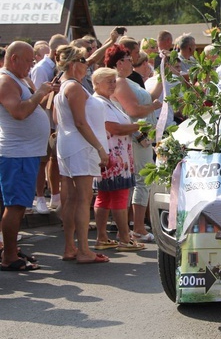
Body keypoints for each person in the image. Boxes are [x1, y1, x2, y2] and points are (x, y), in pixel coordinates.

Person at [0, 41, 55, 271]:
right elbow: (19, 111)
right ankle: (9, 257)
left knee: (14, 204)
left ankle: (8, 249)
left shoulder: (20, 79)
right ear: (14, 59)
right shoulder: (6, 80)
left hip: (25, 153)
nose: (32, 64)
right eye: (29, 59)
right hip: (16, 154)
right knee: (16, 206)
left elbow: (32, 105)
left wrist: (46, 92)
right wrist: (40, 92)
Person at [54, 44, 110, 264]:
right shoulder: (74, 88)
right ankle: (84, 250)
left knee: (72, 199)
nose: (86, 65)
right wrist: (99, 147)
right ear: (72, 64)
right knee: (83, 198)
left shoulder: (66, 86)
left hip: (69, 145)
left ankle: (71, 247)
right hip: (80, 146)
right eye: (82, 61)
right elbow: (80, 122)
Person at [105, 45, 162, 242]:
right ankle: (137, 226)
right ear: (119, 63)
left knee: (140, 180)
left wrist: (163, 77)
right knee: (142, 180)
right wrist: (153, 107)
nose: (132, 61)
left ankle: (134, 226)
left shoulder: (127, 81)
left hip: (141, 133)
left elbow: (149, 98)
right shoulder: (120, 82)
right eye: (128, 58)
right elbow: (134, 110)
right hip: (136, 136)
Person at [91, 68, 145, 252]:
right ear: (97, 83)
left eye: (114, 81)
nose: (113, 85)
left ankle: (103, 237)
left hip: (116, 154)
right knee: (118, 197)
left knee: (105, 197)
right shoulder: (99, 103)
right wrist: (139, 126)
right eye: (109, 81)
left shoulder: (107, 101)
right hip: (113, 156)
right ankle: (124, 238)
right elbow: (115, 128)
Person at [30, 34, 68, 213]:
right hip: (42, 120)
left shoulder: (57, 67)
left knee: (54, 158)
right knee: (42, 160)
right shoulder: (41, 68)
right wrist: (50, 90)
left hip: (54, 121)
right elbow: (36, 99)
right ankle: (39, 197)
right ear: (55, 52)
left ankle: (55, 196)